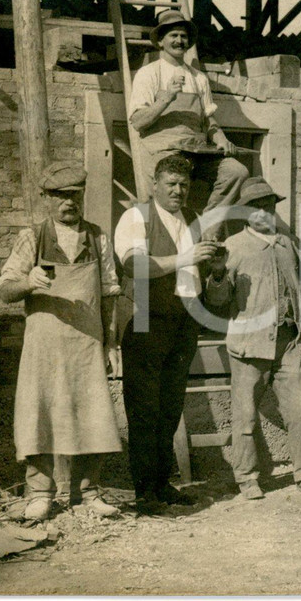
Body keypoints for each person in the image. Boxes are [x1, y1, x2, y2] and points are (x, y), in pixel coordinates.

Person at [205, 177, 301, 501]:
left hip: (288, 343)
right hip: (249, 346)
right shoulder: (233, 247)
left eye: (268, 206)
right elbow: (217, 300)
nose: (263, 213)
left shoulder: (285, 244)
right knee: (245, 417)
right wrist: (217, 274)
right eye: (255, 208)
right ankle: (247, 478)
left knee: (300, 413)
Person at [0, 163, 122, 520]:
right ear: (47, 198)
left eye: (74, 195)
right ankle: (40, 493)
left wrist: (111, 343)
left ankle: (88, 492)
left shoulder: (97, 238)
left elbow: (110, 294)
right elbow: (5, 289)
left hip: (86, 345)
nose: (69, 202)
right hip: (44, 346)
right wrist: (28, 282)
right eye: (60, 196)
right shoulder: (33, 238)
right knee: (39, 414)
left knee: (92, 413)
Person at [113, 154, 221, 514]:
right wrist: (186, 258)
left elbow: (198, 272)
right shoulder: (137, 217)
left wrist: (215, 264)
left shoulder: (193, 218)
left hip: (183, 321)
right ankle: (145, 492)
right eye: (171, 184)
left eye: (184, 185)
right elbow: (134, 265)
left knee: (170, 406)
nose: (178, 190)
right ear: (155, 185)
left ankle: (162, 484)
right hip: (146, 319)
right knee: (145, 409)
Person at [129, 9, 248, 217]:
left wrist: (221, 139)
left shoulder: (199, 78)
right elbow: (138, 122)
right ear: (160, 42)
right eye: (173, 35)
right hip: (163, 151)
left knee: (236, 172)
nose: (179, 41)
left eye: (183, 36)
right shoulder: (148, 74)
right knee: (173, 187)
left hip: (196, 150)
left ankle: (208, 224)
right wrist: (166, 97)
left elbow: (208, 119)